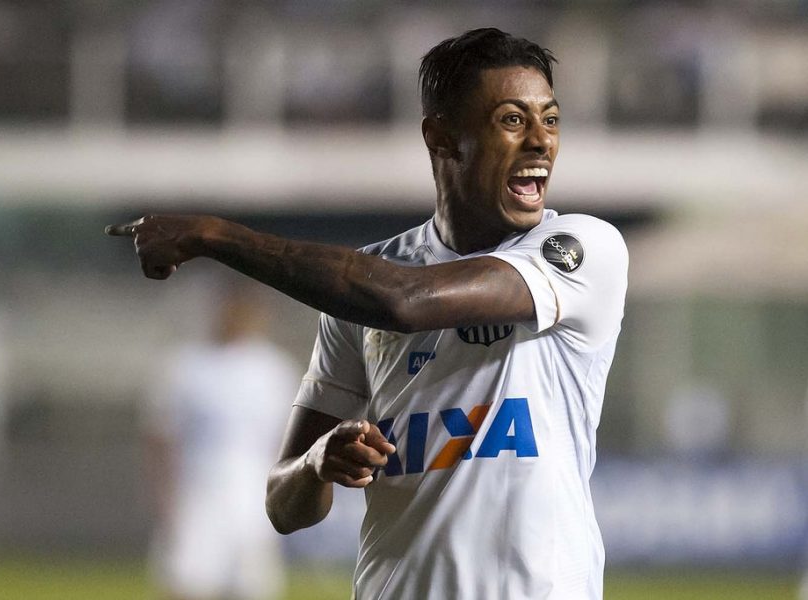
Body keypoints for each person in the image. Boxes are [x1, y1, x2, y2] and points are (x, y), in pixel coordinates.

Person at [108, 28, 628, 600]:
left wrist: (215, 235)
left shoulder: (583, 250)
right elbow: (284, 505)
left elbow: (406, 302)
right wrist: (317, 464)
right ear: (442, 137)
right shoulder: (362, 286)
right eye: (512, 120)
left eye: (550, 120)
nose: (540, 143)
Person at [142, 281, 299, 600]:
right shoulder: (185, 365)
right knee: (185, 584)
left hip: (253, 502)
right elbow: (161, 441)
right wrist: (165, 502)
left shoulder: (276, 371)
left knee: (251, 588)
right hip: (196, 498)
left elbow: (286, 444)